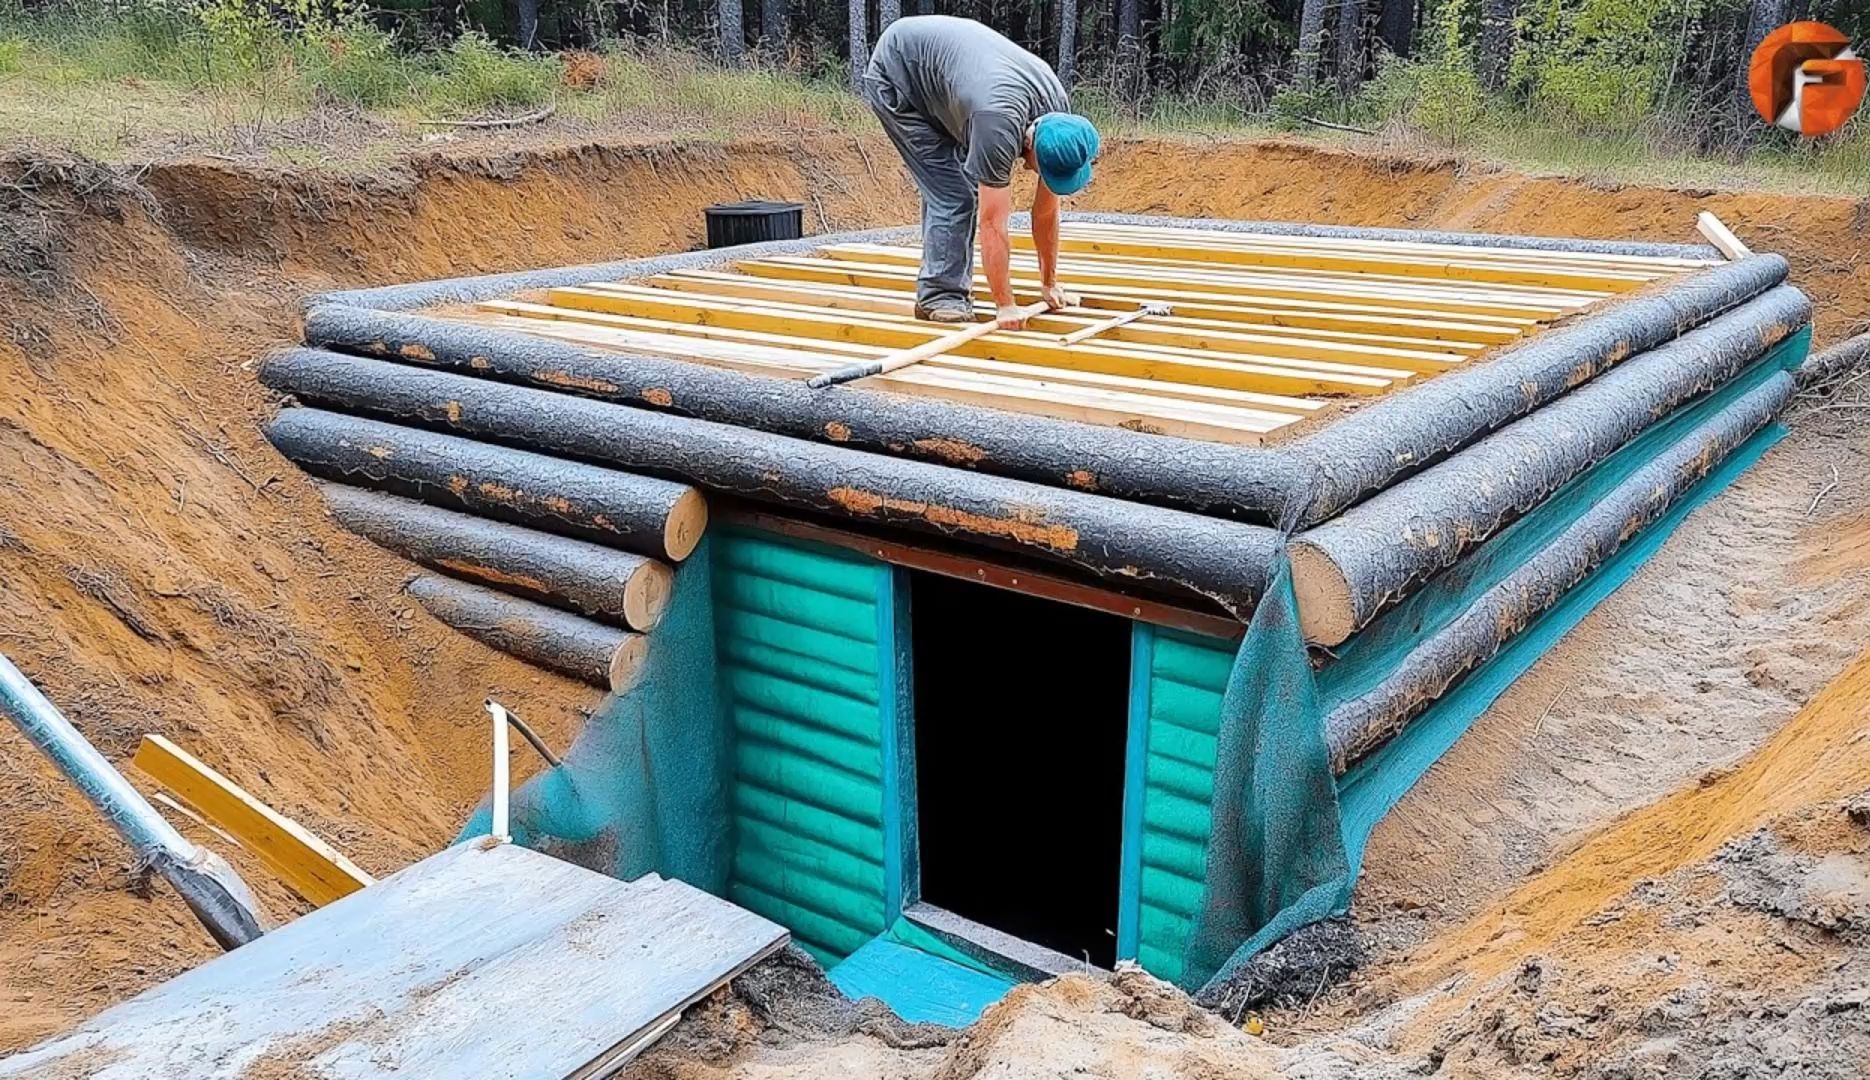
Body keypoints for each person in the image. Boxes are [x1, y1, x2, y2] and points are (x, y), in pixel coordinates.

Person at [862, 15, 1101, 330]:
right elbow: (992, 223)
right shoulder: (998, 125)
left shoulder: (1059, 117)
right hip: (901, 74)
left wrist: (1050, 282)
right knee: (955, 194)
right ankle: (939, 296)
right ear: (1031, 148)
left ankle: (947, 283)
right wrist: (1005, 305)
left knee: (961, 180)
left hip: (953, 84)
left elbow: (1045, 214)